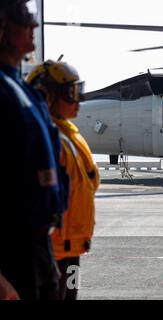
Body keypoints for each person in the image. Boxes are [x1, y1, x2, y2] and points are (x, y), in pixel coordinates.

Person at [0, 0, 68, 300]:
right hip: (10, 250)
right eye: (24, 18)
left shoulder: (22, 89)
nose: (34, 26)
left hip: (38, 246)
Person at [26, 60, 100, 300]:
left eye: (78, 91)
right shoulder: (43, 136)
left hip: (73, 248)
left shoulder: (70, 135)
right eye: (71, 93)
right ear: (47, 95)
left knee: (69, 295)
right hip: (51, 252)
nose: (77, 101)